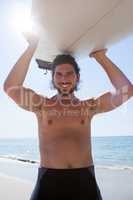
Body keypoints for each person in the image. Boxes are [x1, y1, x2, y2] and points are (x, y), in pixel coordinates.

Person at [3, 33, 133, 200]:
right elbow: (10, 87)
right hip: (48, 182)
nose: (64, 79)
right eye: (59, 74)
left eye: (69, 73)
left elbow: (126, 90)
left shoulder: (88, 107)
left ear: (77, 77)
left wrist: (100, 57)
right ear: (53, 78)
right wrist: (32, 46)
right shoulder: (42, 106)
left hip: (85, 182)